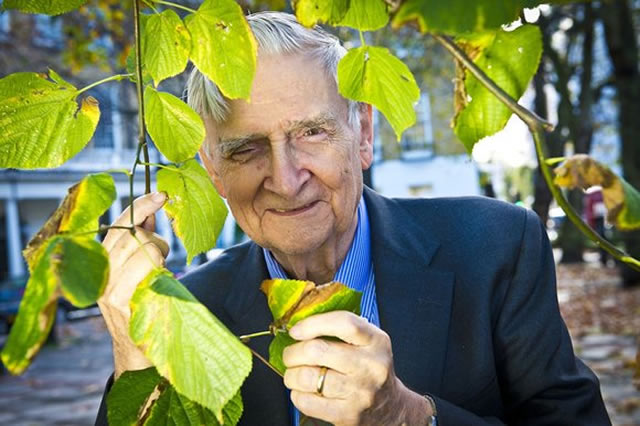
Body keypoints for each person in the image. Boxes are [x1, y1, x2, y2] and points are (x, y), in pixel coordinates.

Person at [96, 12, 609, 426]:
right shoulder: (190, 313)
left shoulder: (498, 246)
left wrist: (408, 418)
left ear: (362, 132)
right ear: (212, 173)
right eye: (246, 148)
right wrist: (135, 357)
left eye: (311, 133)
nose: (286, 177)